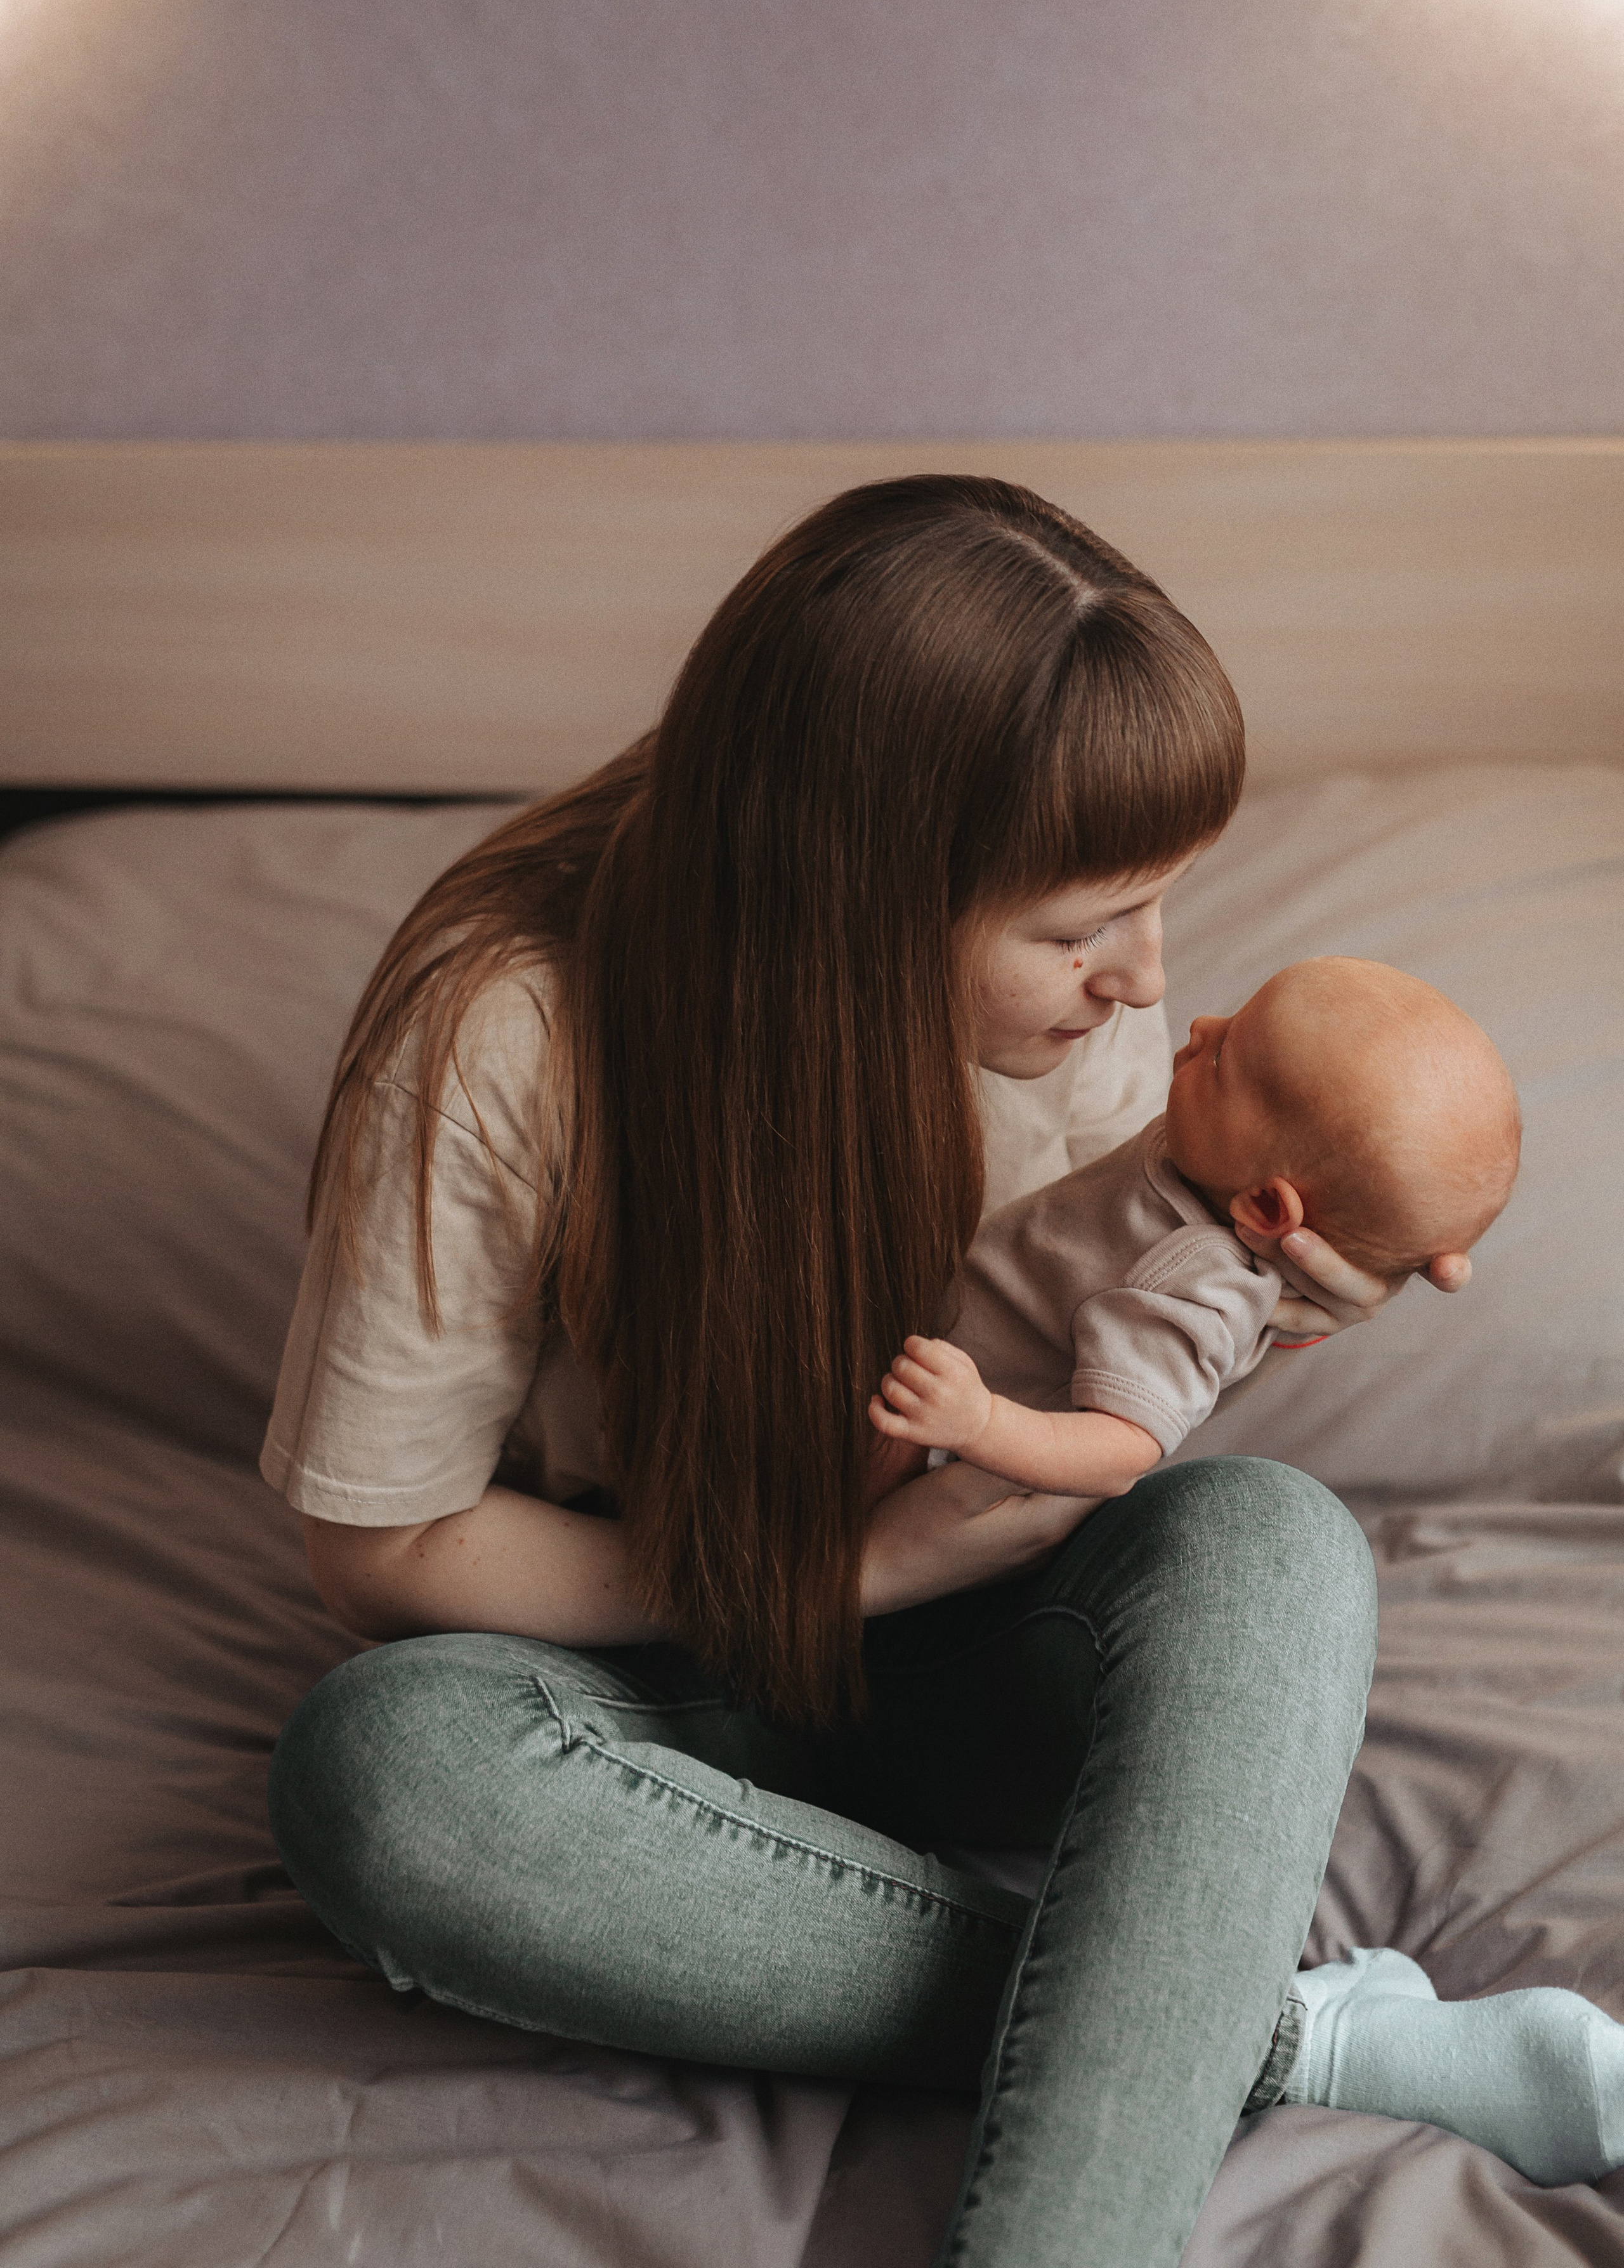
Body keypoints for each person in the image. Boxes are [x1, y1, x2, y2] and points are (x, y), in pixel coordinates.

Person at [263, 476, 1613, 2268]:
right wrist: (848, 1572)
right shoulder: (498, 1034)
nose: (1144, 986)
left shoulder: (1094, 1023)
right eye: (1082, 928)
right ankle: (1299, 2038)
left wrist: (1270, 1320)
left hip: (984, 1657)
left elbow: (1111, 1390)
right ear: (862, 891)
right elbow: (381, 1547)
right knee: (386, 1776)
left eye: (1160, 909)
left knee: (1271, 1542)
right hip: (667, 1670)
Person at [868, 958, 1523, 1501]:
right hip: (929, 1348)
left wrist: (976, 1423)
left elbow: (1120, 1453)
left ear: (1266, 1209)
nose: (1198, 1027)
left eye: (1220, 1063)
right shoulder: (1206, 1162)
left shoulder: (1195, 1284)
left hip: (952, 1450)